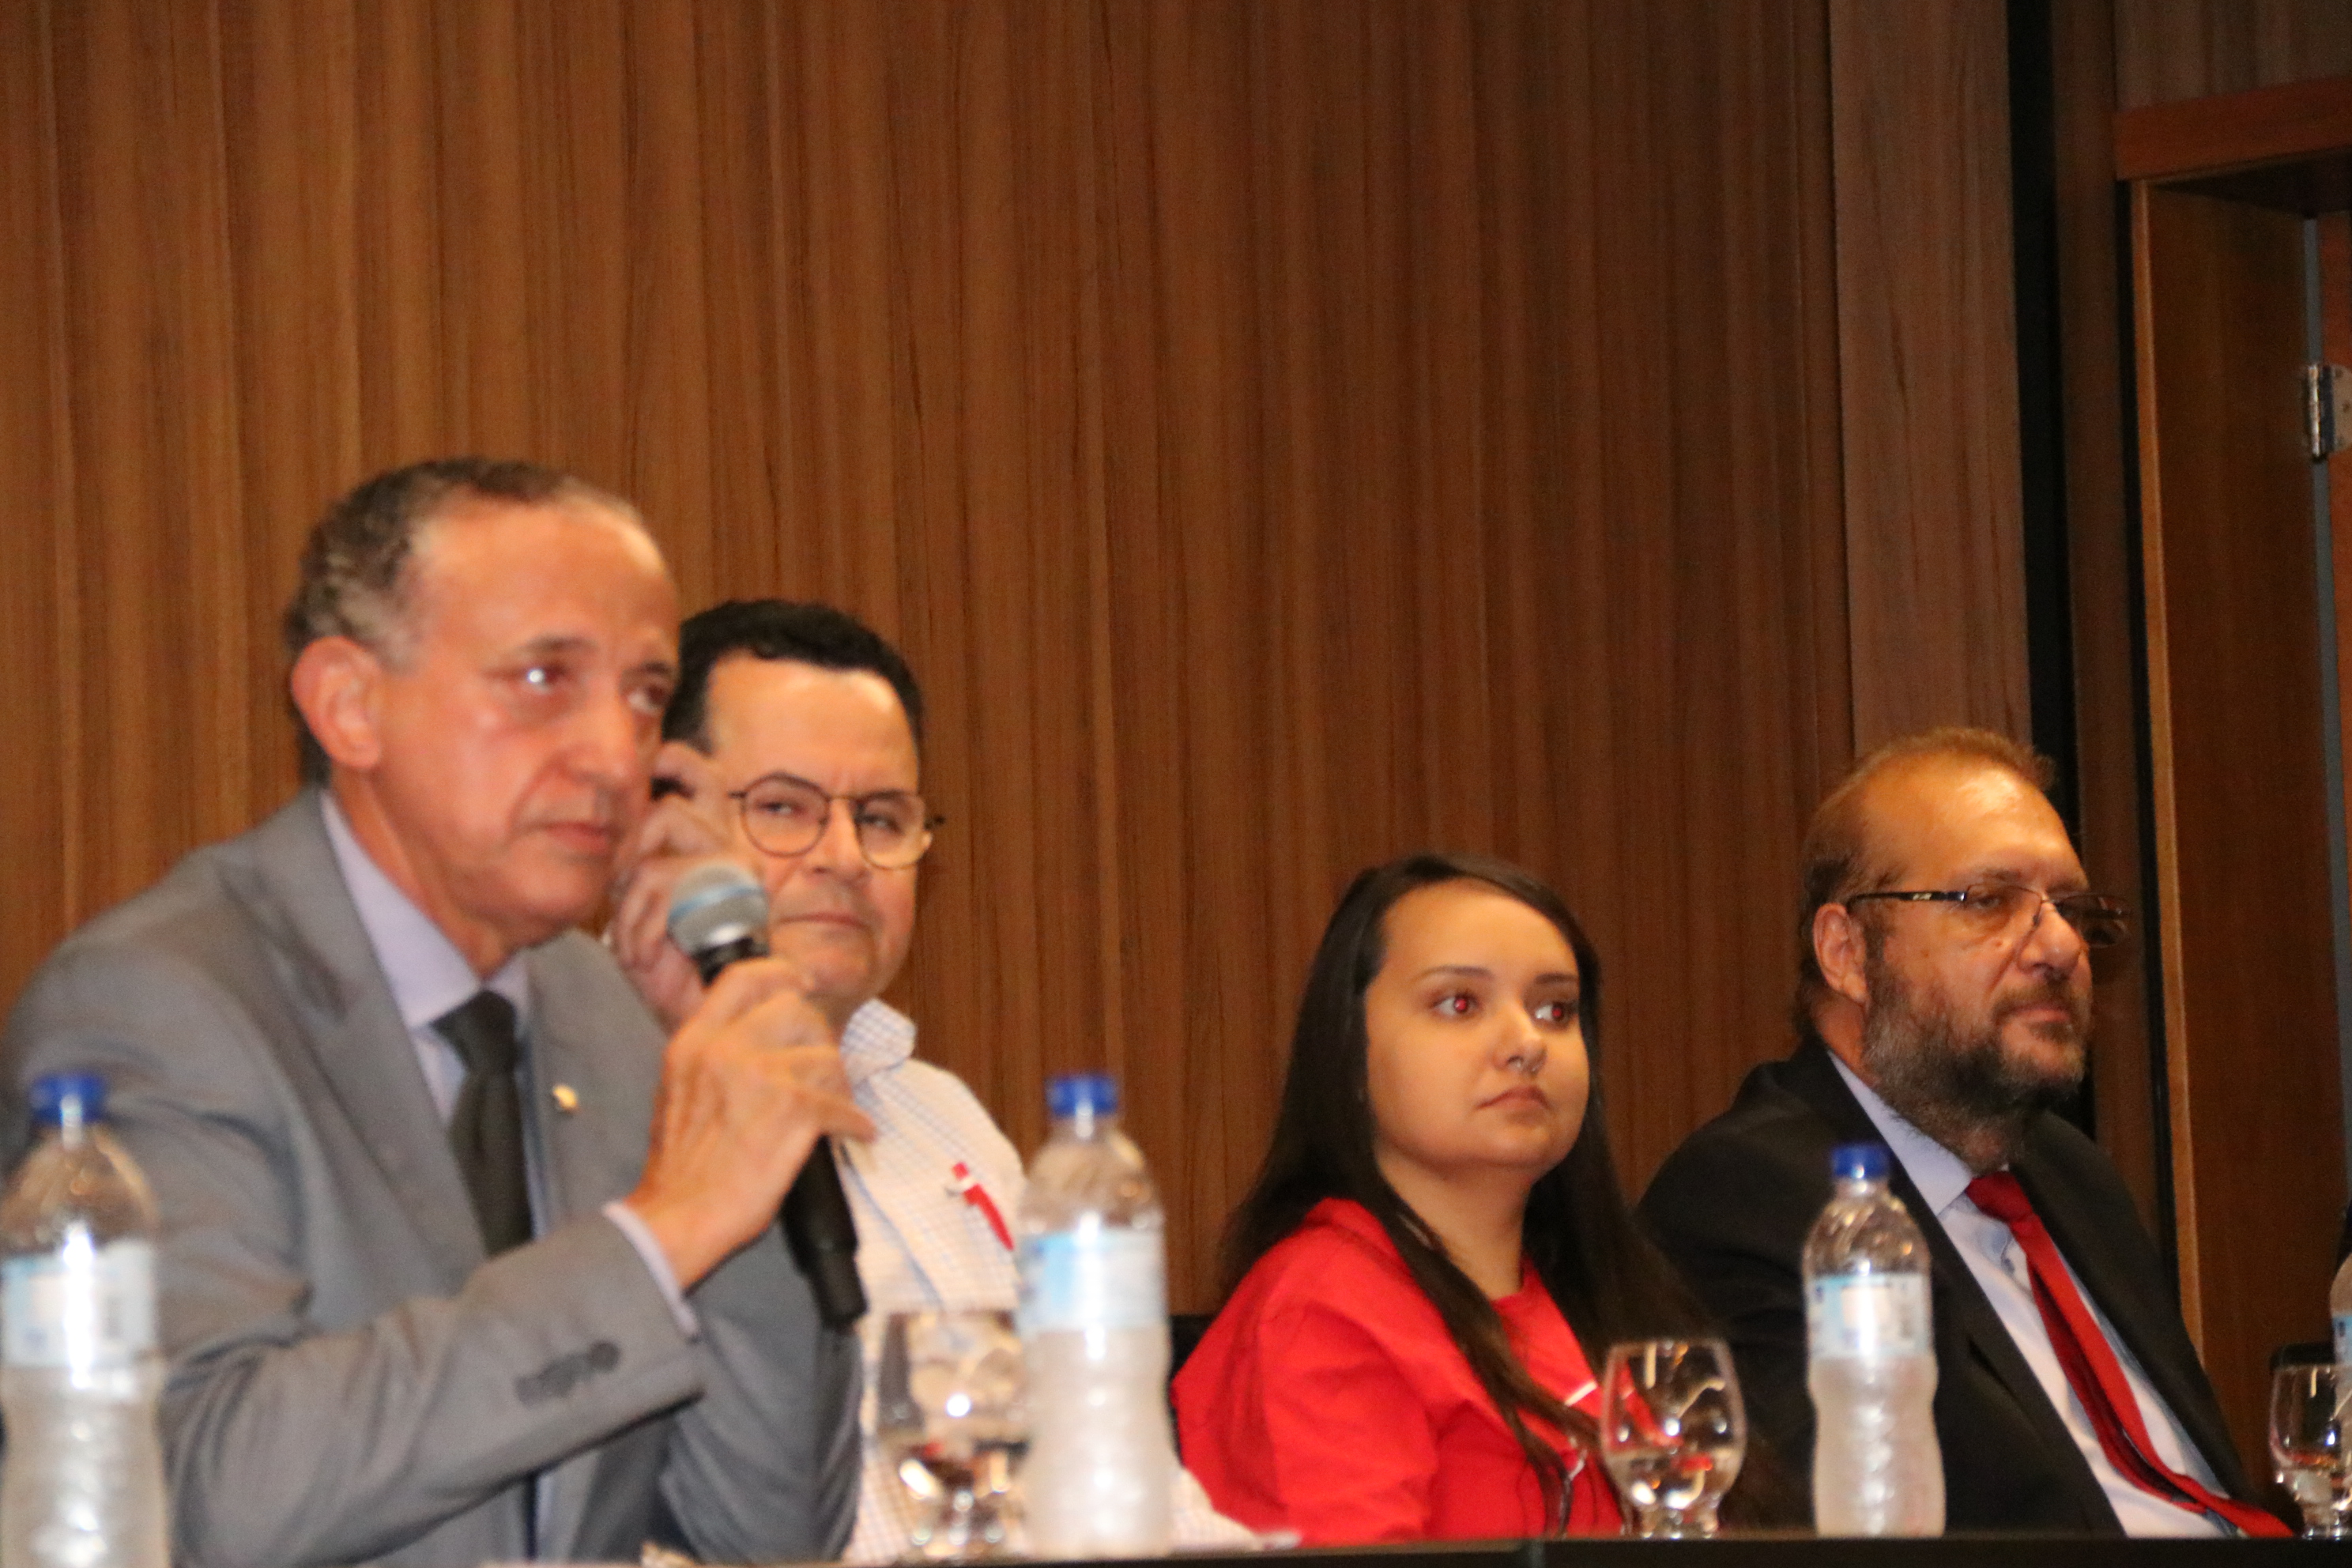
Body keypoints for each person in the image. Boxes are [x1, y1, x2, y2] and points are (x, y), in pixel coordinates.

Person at [2, 461, 869, 1568]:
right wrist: (663, 1231)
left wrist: (737, 1135)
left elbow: (769, 1528)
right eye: (544, 678)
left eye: (646, 695)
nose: (618, 756)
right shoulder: (163, 1002)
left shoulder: (611, 1018)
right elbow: (193, 1489)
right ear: (350, 705)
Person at [603, 597, 1250, 1559]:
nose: (844, 858)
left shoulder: (941, 1119)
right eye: (783, 807)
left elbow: (1117, 1479)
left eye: (880, 818)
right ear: (660, 821)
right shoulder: (572, 1111)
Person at [1640, 726, 2289, 1536]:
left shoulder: (2074, 1175)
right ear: (1848, 953)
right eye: (1988, 900)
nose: (2061, 946)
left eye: (2070, 909)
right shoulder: (1748, 1201)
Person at [1173, 852, 1717, 1544]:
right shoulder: (1319, 1311)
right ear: (1350, 1053)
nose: (1527, 1043)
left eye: (1555, 1010)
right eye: (1460, 1003)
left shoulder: (1612, 1292)